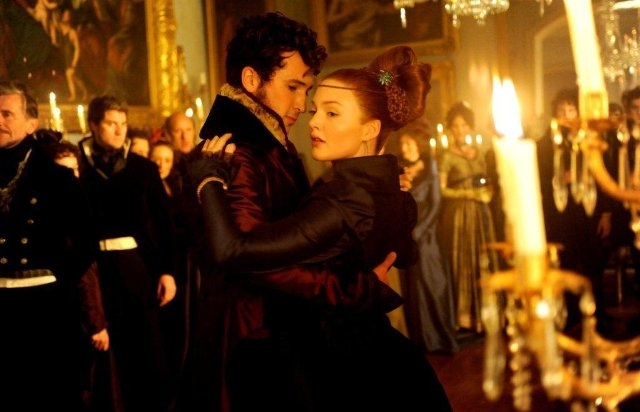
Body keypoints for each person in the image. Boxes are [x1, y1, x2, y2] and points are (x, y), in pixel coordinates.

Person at [189, 45, 451, 411]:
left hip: (346, 366)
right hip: (378, 353)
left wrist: (207, 180)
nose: (313, 121)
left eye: (332, 113)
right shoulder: (389, 189)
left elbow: (233, 251)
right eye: (315, 110)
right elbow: (405, 253)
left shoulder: (344, 199)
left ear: (370, 128)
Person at [0, 80, 97, 410]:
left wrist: (60, 280)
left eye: (7, 114)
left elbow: (87, 240)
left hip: (44, 310)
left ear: (32, 123)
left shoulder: (56, 178)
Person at [77, 94, 177, 412]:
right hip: (92, 269)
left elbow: (164, 225)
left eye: (123, 123)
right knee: (103, 349)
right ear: (93, 125)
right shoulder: (77, 166)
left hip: (134, 268)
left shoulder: (143, 168)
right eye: (111, 123)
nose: (120, 130)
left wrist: (167, 271)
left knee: (144, 344)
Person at [393, 121, 458, 354]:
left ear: (419, 144)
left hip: (427, 237)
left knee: (432, 284)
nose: (405, 148)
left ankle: (440, 337)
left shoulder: (430, 166)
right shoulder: (399, 169)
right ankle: (422, 340)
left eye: (409, 143)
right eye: (403, 144)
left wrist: (421, 231)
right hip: (406, 235)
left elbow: (436, 204)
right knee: (414, 288)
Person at [437, 101, 499, 335]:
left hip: (481, 214)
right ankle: (464, 319)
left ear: (470, 127)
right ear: (450, 129)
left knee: (483, 259)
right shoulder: (447, 157)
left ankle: (486, 316)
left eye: (464, 125)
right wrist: (469, 194)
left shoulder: (479, 153)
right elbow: (441, 190)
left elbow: (487, 180)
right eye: (455, 126)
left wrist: (488, 192)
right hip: (459, 215)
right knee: (462, 261)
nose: (460, 130)